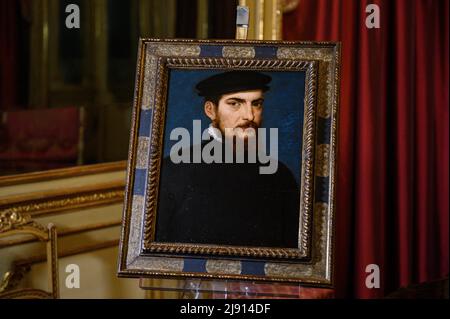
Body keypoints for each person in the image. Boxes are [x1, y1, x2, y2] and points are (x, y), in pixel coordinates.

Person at [155, 70, 300, 248]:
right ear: (210, 110)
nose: (249, 115)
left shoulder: (280, 175)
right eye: (235, 104)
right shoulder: (172, 169)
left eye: (257, 104)